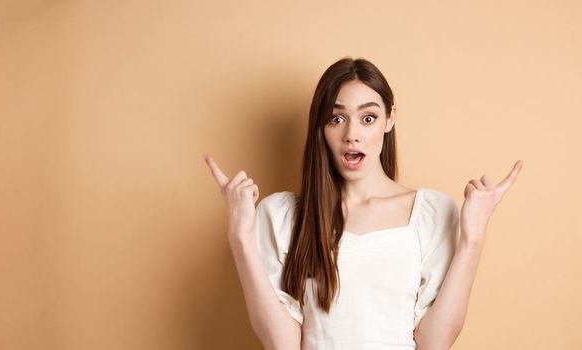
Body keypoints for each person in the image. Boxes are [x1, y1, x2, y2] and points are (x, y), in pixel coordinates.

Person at [204, 57, 523, 350]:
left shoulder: (431, 213)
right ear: (321, 127)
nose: (352, 134)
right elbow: (283, 345)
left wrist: (474, 237)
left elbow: (433, 343)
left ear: (389, 119)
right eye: (336, 118)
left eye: (368, 118)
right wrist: (240, 239)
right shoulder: (283, 217)